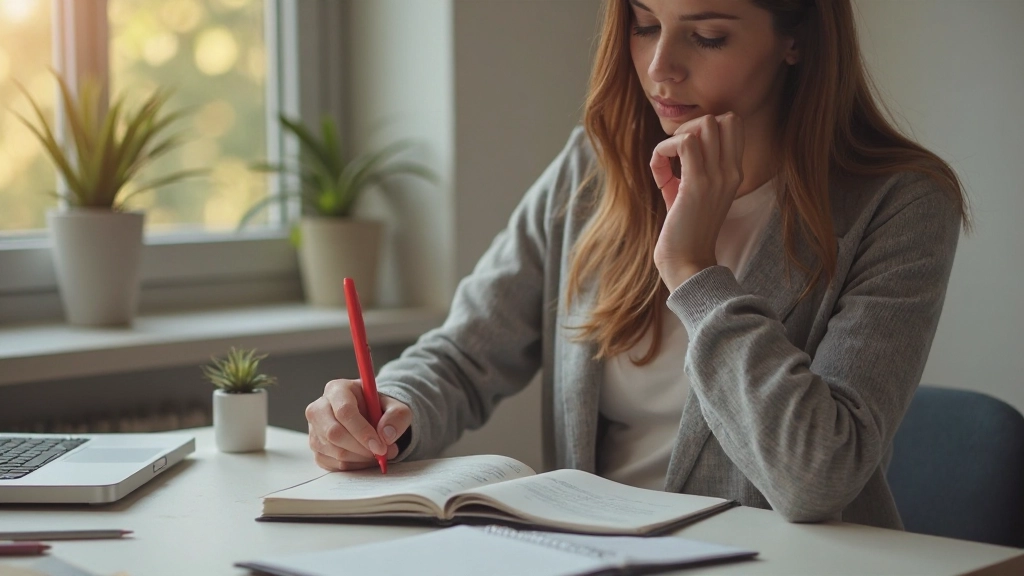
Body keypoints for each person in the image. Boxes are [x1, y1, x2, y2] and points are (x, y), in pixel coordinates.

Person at [304, 0, 968, 530]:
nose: (660, 68)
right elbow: (461, 356)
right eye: (645, 24)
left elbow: (815, 475)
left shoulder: (899, 204)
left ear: (796, 40)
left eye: (707, 36)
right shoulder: (594, 169)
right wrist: (388, 408)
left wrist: (695, 273)